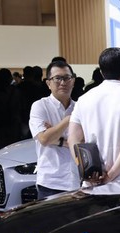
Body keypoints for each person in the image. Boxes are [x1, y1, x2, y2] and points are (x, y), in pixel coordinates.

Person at [68, 47, 120, 184]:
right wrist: (109, 177)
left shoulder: (84, 99)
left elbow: (73, 139)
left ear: (101, 72)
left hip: (92, 182)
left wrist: (85, 170)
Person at [29, 59, 79, 199]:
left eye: (67, 78)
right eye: (58, 78)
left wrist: (55, 137)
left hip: (77, 180)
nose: (63, 83)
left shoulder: (81, 107)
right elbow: (44, 139)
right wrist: (68, 120)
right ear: (48, 83)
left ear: (73, 81)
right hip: (51, 183)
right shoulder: (40, 106)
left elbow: (85, 142)